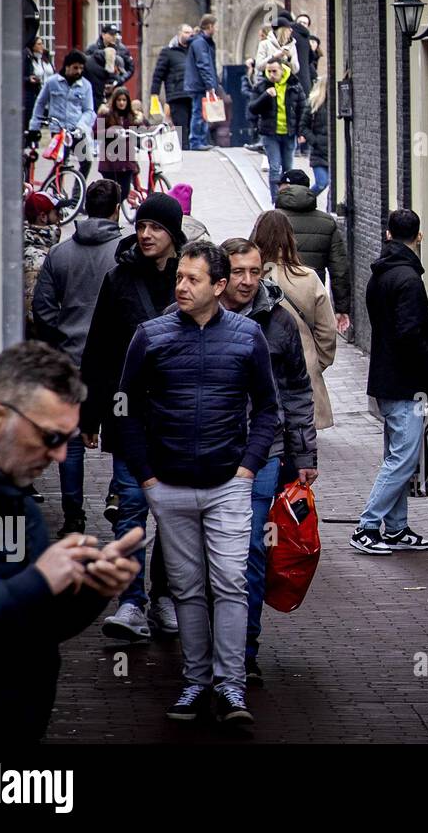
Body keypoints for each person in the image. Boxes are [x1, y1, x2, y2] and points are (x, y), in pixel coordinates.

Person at [0, 341, 143, 742]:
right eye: (50, 437)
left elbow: (34, 625)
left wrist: (89, 588)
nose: (60, 456)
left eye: (68, 438)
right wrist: (39, 580)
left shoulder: (13, 491)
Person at [118, 241, 280, 725]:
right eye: (179, 278)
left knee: (230, 583)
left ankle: (231, 687)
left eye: (192, 279)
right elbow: (124, 407)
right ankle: (195, 682)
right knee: (187, 589)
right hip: (168, 485)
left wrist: (248, 466)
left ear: (219, 286)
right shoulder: (151, 336)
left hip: (228, 482)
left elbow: (270, 407)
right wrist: (146, 476)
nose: (181, 286)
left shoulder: (249, 336)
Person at [79, 192, 185, 642]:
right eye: (141, 226)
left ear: (173, 235)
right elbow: (100, 349)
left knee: (174, 514)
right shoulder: (119, 279)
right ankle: (130, 603)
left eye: (156, 228)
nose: (145, 234)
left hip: (178, 417)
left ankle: (163, 595)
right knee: (130, 510)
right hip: (129, 416)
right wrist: (90, 414)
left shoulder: (189, 279)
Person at [218, 237, 317, 685]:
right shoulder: (193, 316)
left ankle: (246, 650)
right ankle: (207, 651)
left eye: (255, 272)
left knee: (254, 551)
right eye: (238, 271)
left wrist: (304, 455)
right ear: (222, 275)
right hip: (207, 455)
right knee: (209, 557)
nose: (247, 281)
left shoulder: (278, 321)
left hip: (266, 454)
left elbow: (297, 391)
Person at [32, 179, 124, 536]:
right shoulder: (124, 253)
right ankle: (118, 493)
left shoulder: (60, 253)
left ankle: (73, 514)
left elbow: (42, 308)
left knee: (70, 440)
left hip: (71, 360)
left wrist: (61, 338)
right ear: (116, 209)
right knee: (121, 429)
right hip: (115, 362)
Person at [350, 209, 428, 555]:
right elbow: (410, 335)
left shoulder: (379, 276)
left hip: (386, 378)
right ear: (419, 237)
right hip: (406, 383)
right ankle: (367, 526)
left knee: (397, 455)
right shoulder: (408, 279)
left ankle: (397, 528)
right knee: (403, 458)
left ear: (388, 234)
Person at [251, 210, 338, 433]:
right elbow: (327, 330)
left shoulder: (250, 279)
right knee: (301, 442)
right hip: (303, 368)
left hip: (259, 367)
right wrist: (317, 364)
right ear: (290, 237)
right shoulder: (307, 278)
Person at [276, 170, 352, 333]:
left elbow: (253, 258)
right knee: (311, 342)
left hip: (277, 295)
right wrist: (341, 308)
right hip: (312, 294)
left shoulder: (270, 220)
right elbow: (340, 269)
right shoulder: (326, 222)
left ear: (287, 187)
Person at [29, 48, 96, 178]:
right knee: (60, 164)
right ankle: (56, 193)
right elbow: (40, 104)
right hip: (58, 131)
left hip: (76, 130)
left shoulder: (86, 85)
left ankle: (77, 194)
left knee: (86, 161)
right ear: (67, 66)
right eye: (75, 68)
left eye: (81, 68)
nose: (79, 71)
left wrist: (81, 126)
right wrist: (34, 126)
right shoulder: (52, 82)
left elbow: (89, 110)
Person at [247, 59, 306, 203]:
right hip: (270, 133)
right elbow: (252, 108)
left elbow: (302, 109)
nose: (271, 74)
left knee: (288, 168)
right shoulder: (262, 86)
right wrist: (266, 95)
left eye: (274, 71)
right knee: (274, 167)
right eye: (269, 71)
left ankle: (288, 200)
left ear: (282, 70)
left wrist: (301, 132)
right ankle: (276, 201)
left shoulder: (294, 86)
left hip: (289, 133)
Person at [96, 85, 147, 201]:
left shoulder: (132, 116)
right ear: (114, 101)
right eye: (119, 100)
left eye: (124, 100)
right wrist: (110, 131)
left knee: (123, 192)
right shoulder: (105, 114)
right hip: (110, 162)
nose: (121, 103)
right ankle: (110, 215)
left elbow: (144, 127)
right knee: (111, 193)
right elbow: (95, 133)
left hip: (126, 161)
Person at [23, 193, 62, 339]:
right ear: (43, 217)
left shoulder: (25, 242)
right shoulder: (38, 259)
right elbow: (32, 315)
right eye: (57, 213)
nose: (60, 219)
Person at [149, 23, 194, 147]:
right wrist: (154, 94)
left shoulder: (194, 51)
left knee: (192, 125)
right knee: (181, 126)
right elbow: (158, 74)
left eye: (191, 33)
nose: (189, 35)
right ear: (179, 34)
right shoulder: (168, 52)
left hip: (193, 93)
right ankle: (184, 152)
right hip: (176, 95)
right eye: (186, 32)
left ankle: (190, 150)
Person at [183, 13, 220, 151]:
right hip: (200, 84)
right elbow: (203, 64)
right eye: (215, 26)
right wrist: (210, 84)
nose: (216, 29)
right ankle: (196, 141)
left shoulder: (202, 42)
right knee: (198, 112)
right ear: (209, 26)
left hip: (200, 83)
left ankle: (201, 140)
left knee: (203, 111)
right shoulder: (200, 43)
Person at [83, 24, 135, 110]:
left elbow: (131, 68)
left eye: (115, 34)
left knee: (117, 112)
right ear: (103, 35)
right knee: (100, 114)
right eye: (111, 34)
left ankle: (116, 124)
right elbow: (86, 69)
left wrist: (119, 81)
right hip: (96, 89)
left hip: (116, 88)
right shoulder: (92, 49)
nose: (114, 37)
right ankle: (100, 124)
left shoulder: (122, 49)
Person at [298, 75, 330, 196]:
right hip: (319, 153)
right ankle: (303, 203)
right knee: (322, 183)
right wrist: (314, 141)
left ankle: (329, 211)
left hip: (334, 153)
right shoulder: (314, 103)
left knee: (335, 189)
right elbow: (303, 126)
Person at [254, 8, 302, 84]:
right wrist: (274, 56)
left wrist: (289, 58)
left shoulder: (292, 45)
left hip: (286, 84)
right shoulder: (265, 44)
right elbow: (259, 66)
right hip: (268, 83)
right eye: (288, 29)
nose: (291, 31)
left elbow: (296, 70)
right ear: (282, 31)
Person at [23, 36, 54, 130]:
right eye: (39, 44)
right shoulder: (28, 58)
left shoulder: (46, 57)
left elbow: (53, 72)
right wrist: (28, 79)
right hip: (36, 92)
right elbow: (20, 76)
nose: (42, 46)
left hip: (50, 92)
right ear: (33, 46)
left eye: (42, 44)